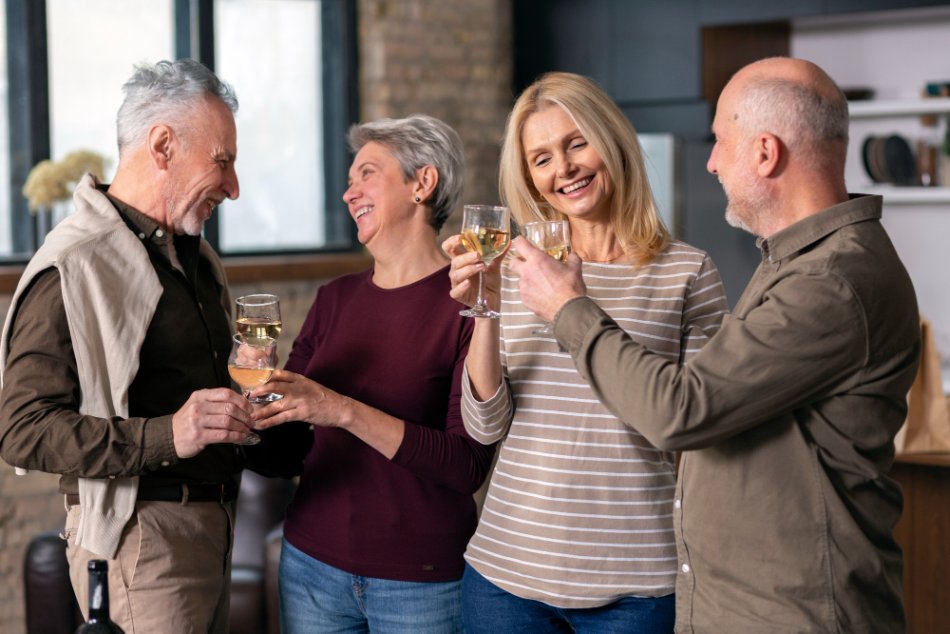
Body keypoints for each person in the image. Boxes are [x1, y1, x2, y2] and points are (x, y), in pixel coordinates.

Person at [511, 57, 921, 632]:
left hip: (797, 613)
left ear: (765, 153)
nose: (710, 162)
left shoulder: (829, 280)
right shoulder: (796, 260)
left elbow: (680, 409)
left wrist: (568, 308)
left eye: (721, 142)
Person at [442, 72, 728, 633]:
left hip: (637, 581)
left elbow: (698, 429)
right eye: (541, 158)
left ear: (612, 140)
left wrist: (575, 308)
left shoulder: (687, 271)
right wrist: (487, 303)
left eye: (577, 144)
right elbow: (484, 425)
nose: (564, 168)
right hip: (506, 574)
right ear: (530, 177)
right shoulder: (515, 267)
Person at [0, 59, 253, 633]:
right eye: (222, 161)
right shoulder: (73, 262)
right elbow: (22, 430)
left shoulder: (197, 257)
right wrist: (170, 434)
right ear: (162, 145)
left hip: (213, 529)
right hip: (141, 541)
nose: (233, 188)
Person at [248, 114, 496, 633]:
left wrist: (341, 410)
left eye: (367, 173)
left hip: (421, 584)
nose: (348, 193)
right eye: (349, 179)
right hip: (310, 567)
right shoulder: (333, 299)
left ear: (422, 183)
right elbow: (283, 455)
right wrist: (257, 398)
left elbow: (466, 466)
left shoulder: (471, 304)